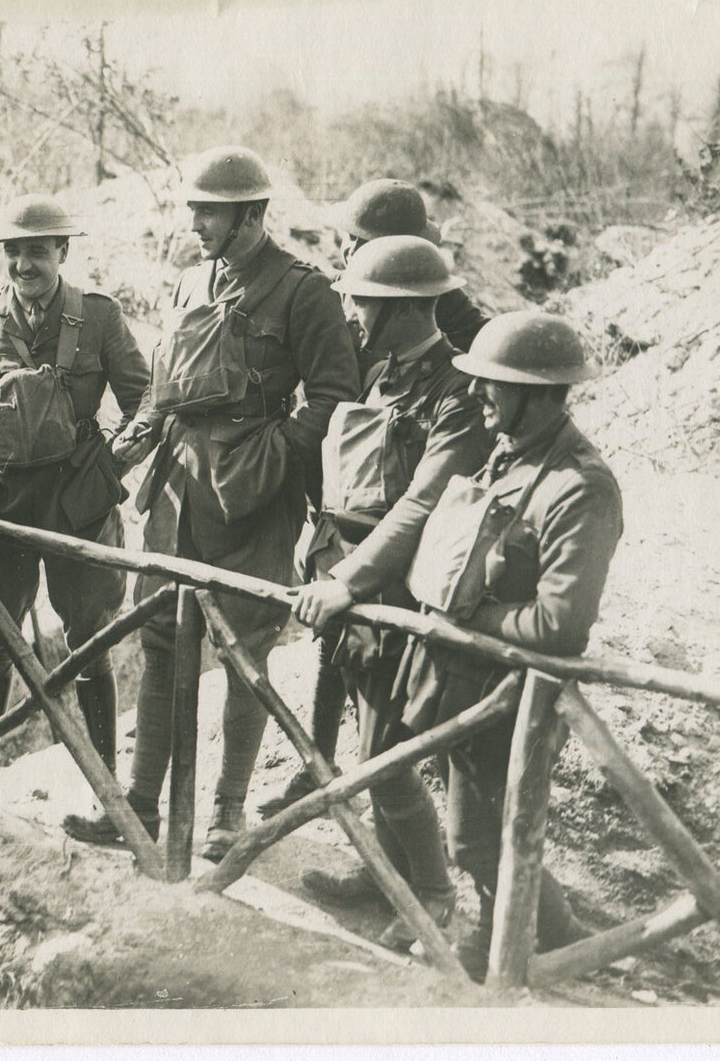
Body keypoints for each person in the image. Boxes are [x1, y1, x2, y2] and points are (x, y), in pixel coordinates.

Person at [301, 311, 620, 980]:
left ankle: (534, 940)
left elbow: (559, 623)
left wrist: (473, 615)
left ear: (536, 393)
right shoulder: (511, 453)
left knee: (476, 836)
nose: (479, 396)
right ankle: (538, 933)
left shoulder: (579, 486)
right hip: (452, 670)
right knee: (428, 795)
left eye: (494, 386)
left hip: (507, 687)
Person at [63, 145, 360, 861]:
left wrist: (279, 449)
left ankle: (227, 814)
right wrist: (132, 442)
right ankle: (138, 803)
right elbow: (165, 387)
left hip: (254, 496)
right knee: (162, 641)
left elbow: (336, 395)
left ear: (251, 216)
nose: (194, 222)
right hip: (177, 488)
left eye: (210, 211)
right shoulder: (189, 284)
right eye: (193, 209)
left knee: (244, 649)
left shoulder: (302, 291)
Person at [264, 235, 494, 951]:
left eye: (362, 303)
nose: (352, 315)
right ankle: (385, 875)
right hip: (345, 575)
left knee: (385, 751)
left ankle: (430, 898)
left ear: (399, 309)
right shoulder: (379, 374)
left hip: (393, 589)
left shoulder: (457, 394)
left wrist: (348, 582)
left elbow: (420, 506)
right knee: (370, 741)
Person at [0, 194, 150, 800]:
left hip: (80, 498)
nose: (24, 264)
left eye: (37, 251)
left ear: (63, 251)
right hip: (5, 501)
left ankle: (105, 784)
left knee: (89, 638)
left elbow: (146, 400)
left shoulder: (100, 317)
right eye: (14, 252)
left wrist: (113, 460)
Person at [329, 179, 489, 355]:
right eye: (352, 236)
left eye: (370, 243)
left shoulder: (430, 294)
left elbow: (487, 343)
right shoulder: (327, 289)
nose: (353, 251)